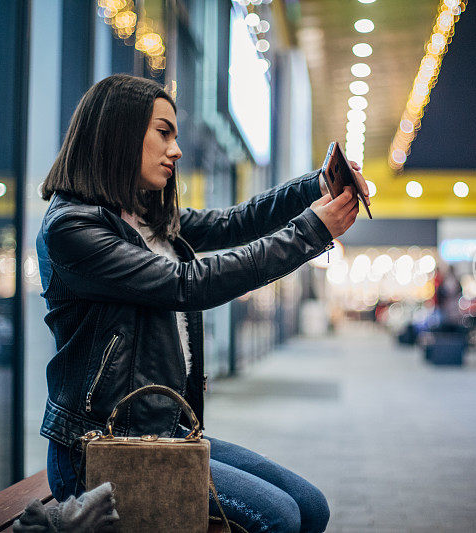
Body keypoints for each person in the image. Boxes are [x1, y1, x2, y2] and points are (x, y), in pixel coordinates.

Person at [36, 74, 368, 533]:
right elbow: (188, 284)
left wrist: (315, 186)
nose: (176, 150)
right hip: (101, 449)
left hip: (162, 434)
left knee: (311, 506)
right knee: (281, 518)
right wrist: (312, 232)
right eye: (163, 132)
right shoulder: (72, 230)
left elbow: (235, 222)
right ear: (118, 131)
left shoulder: (144, 217)